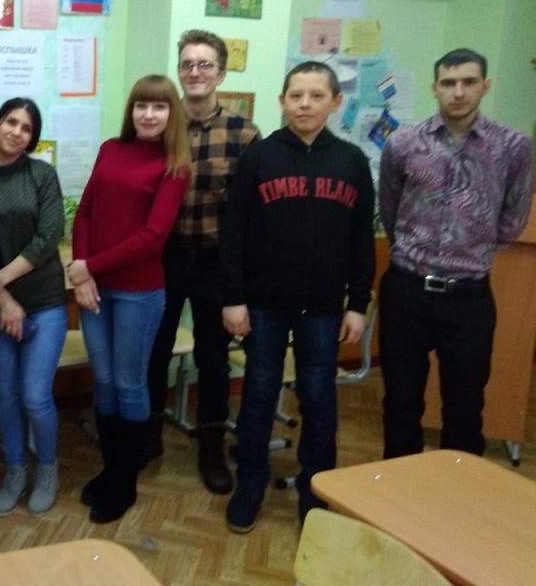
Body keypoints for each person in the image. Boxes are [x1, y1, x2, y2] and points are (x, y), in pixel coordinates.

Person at [221, 61, 375, 534]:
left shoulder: (352, 161)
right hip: (263, 305)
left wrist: (357, 304)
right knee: (259, 395)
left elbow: (361, 240)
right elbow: (233, 232)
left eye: (316, 95)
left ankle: (316, 489)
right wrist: (233, 297)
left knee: (319, 399)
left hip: (324, 309)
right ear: (282, 101)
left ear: (336, 102)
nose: (305, 104)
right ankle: (251, 483)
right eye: (296, 95)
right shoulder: (259, 156)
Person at [378, 48, 532, 459]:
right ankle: (397, 489)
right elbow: (390, 208)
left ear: (485, 85)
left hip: (468, 297)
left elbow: (514, 216)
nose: (458, 92)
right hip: (407, 291)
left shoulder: (512, 146)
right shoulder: (404, 143)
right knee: (400, 403)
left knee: (465, 408)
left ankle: (456, 491)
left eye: (468, 82)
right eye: (448, 83)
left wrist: (470, 247)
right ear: (435, 88)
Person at [67, 74, 190, 524]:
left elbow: (153, 237)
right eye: (141, 105)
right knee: (103, 381)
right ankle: (109, 469)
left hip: (139, 292)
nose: (148, 114)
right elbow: (85, 213)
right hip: (95, 287)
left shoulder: (175, 166)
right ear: (131, 109)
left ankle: (124, 481)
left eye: (159, 107)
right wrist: (82, 270)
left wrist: (89, 267)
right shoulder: (110, 150)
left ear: (171, 114)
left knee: (129, 383)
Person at [144, 29, 259, 494]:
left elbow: (250, 216)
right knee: (154, 353)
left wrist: (239, 283)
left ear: (221, 74)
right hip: (162, 261)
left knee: (214, 361)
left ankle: (211, 448)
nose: (195, 72)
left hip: (216, 264)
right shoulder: (158, 127)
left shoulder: (244, 134)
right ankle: (147, 438)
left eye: (204, 64)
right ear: (179, 71)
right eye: (187, 64)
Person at [0, 98, 68, 516]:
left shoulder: (42, 175)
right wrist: (2, 297)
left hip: (45, 302)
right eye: (11, 122)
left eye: (26, 128)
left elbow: (48, 237)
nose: (16, 131)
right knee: (6, 395)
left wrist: (0, 279)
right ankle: (15, 469)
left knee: (34, 395)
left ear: (32, 138)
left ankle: (47, 468)